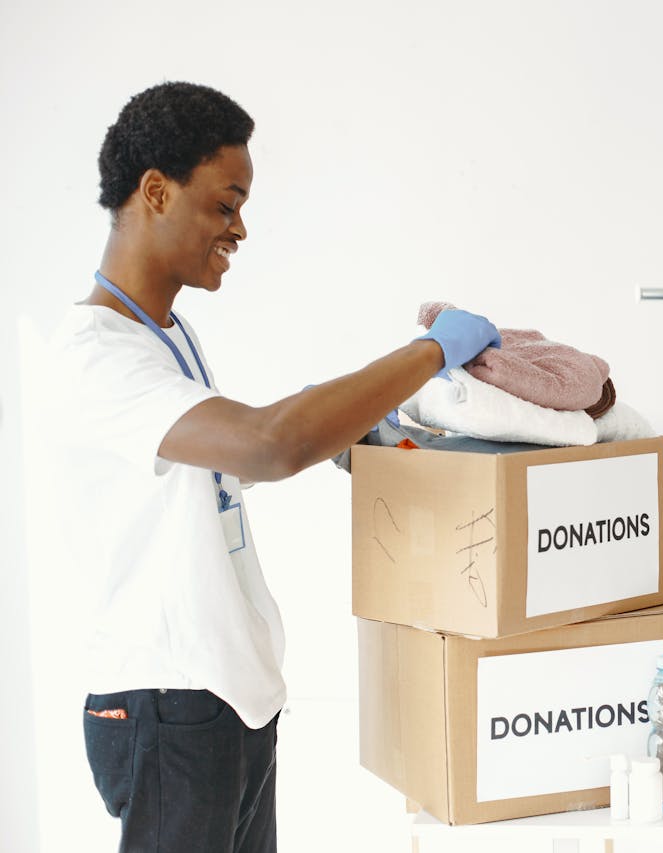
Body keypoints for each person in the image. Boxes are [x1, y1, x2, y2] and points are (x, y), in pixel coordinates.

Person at [47, 82, 501, 853]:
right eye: (226, 205)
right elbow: (266, 443)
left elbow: (223, 467)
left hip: (227, 702)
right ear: (155, 191)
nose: (241, 228)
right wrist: (428, 353)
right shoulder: (97, 355)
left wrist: (350, 433)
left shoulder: (167, 334)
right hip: (168, 703)